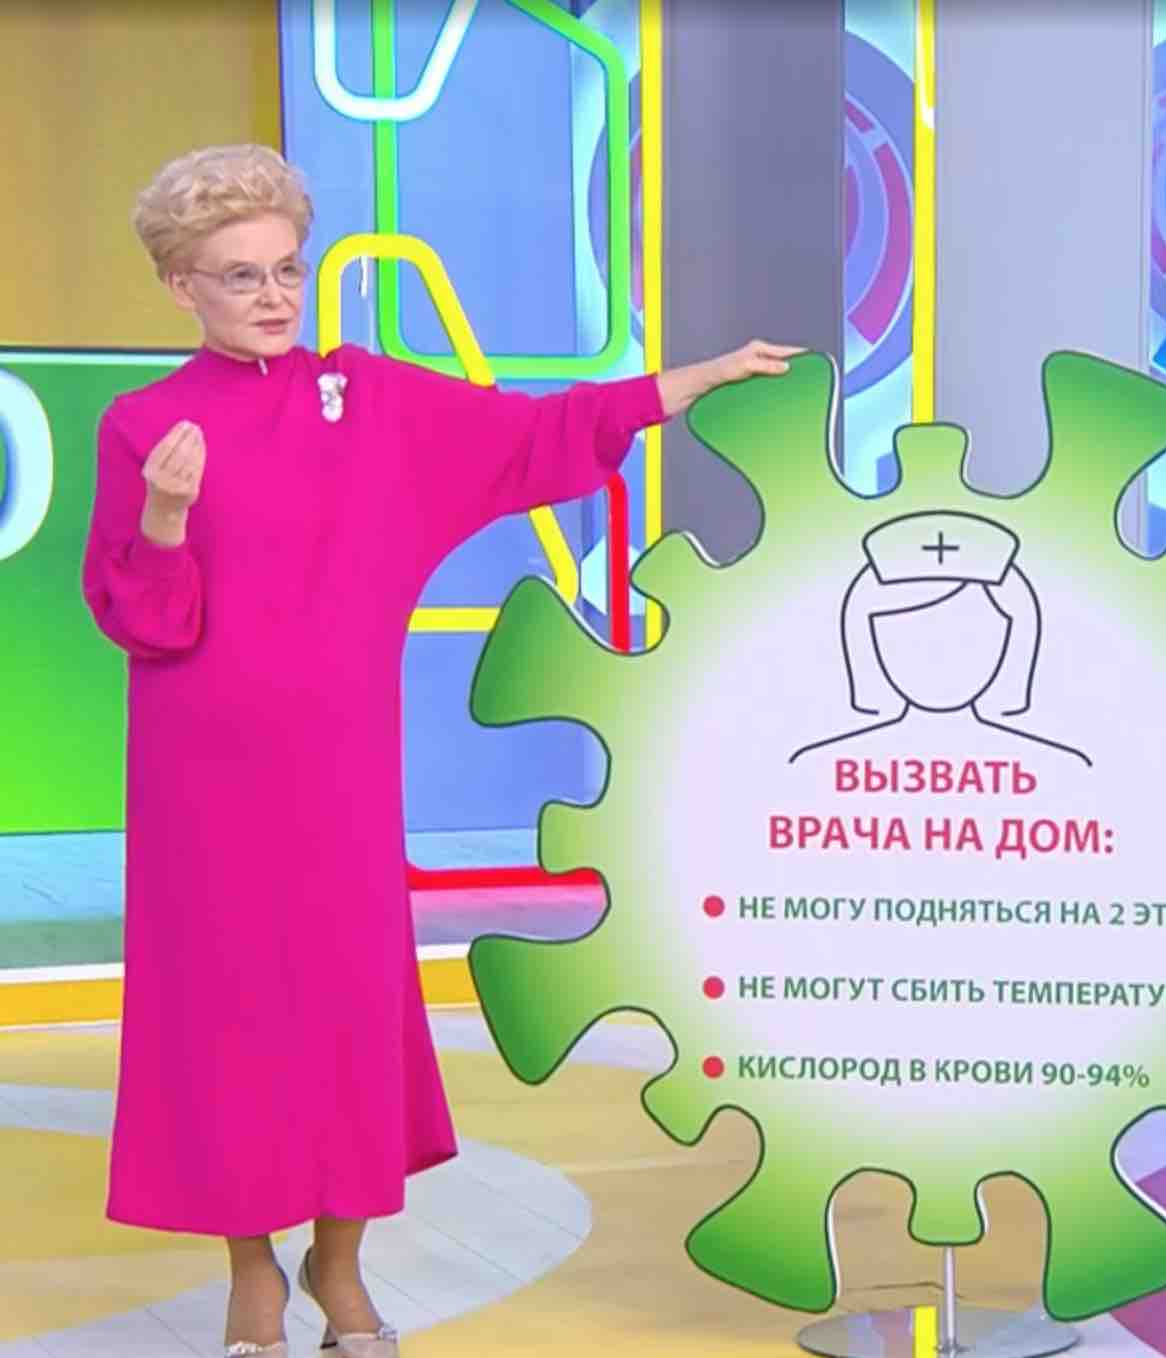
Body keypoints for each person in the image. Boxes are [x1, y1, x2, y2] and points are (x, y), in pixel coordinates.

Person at [81, 142, 802, 1357]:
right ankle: (251, 1270)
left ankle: (341, 1263)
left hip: (339, 771)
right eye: (240, 274)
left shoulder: (370, 400)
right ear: (180, 285)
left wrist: (686, 382)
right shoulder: (146, 424)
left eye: (288, 268)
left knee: (349, 1006)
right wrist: (162, 514)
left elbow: (528, 434)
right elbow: (141, 619)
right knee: (226, 1018)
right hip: (200, 776)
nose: (273, 294)